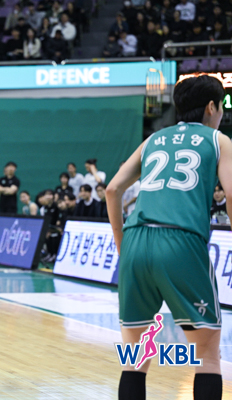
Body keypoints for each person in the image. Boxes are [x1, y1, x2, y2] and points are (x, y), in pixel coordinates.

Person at [106, 74, 228, 400]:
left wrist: (122, 244)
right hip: (180, 241)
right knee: (207, 356)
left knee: (135, 358)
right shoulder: (218, 140)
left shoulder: (154, 139)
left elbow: (113, 189)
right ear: (211, 107)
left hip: (136, 241)